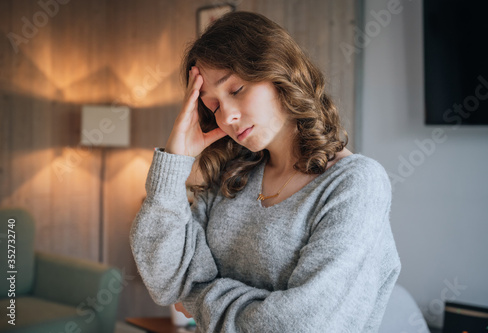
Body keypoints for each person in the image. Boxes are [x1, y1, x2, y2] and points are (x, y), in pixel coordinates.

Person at [130, 11, 401, 333]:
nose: (226, 116)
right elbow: (168, 284)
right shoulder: (231, 178)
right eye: (212, 106)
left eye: (236, 89)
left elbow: (303, 326)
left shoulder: (356, 183)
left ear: (280, 75)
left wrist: (200, 297)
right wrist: (174, 161)